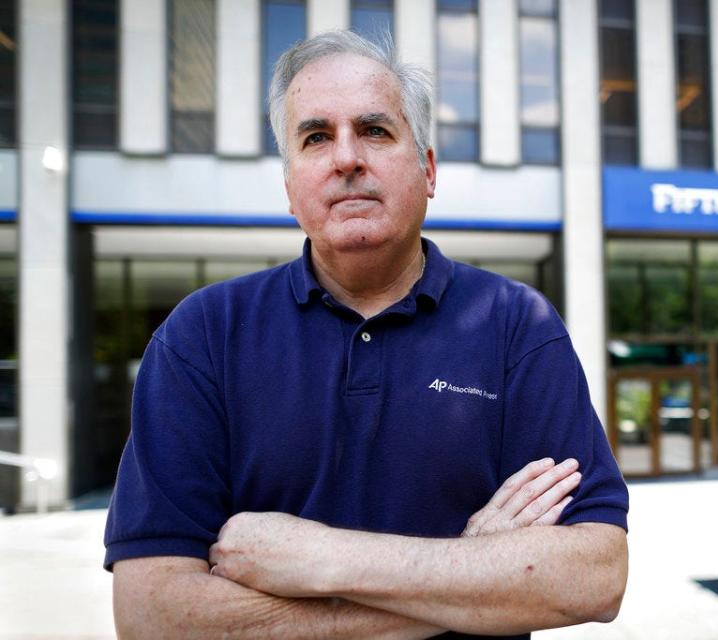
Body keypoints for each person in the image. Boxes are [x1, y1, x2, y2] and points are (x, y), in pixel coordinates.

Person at [105, 30, 628, 639]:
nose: (346, 158)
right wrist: (466, 578)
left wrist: (326, 559)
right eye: (316, 137)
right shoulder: (201, 337)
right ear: (290, 189)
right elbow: (152, 617)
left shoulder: (516, 326)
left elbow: (596, 575)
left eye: (375, 131)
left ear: (427, 169)